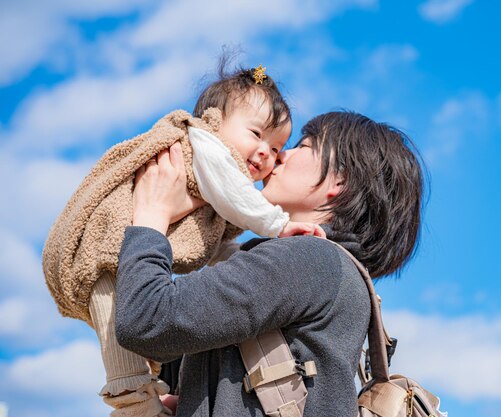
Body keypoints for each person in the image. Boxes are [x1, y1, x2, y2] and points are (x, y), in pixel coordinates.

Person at [42, 62, 324, 417]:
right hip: (104, 250)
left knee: (138, 343)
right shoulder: (206, 146)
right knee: (124, 356)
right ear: (215, 121)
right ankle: (135, 406)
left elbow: (214, 242)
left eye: (276, 145)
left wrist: (234, 256)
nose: (268, 153)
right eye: (256, 134)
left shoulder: (218, 192)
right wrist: (278, 226)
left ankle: (150, 400)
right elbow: (237, 196)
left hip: (126, 252)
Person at [115, 111, 427, 416]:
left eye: (303, 146)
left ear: (340, 181)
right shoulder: (333, 275)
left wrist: (151, 215)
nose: (281, 156)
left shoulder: (309, 261)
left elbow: (146, 320)